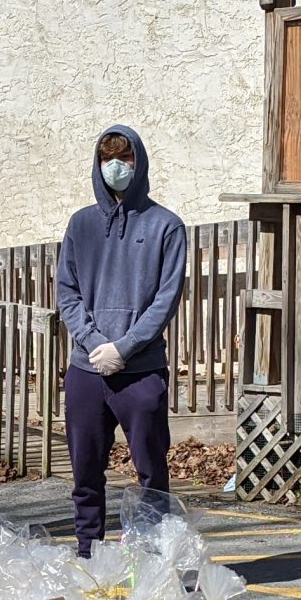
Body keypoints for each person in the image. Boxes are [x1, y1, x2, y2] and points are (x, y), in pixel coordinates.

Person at [56, 123, 190, 555]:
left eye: (125, 158)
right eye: (107, 159)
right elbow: (67, 291)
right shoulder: (81, 225)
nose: (117, 167)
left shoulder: (166, 225)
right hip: (86, 369)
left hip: (141, 372)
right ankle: (86, 550)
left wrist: (125, 347)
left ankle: (152, 554)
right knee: (85, 473)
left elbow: (166, 297)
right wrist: (95, 343)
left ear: (140, 162)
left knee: (152, 472)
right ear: (97, 166)